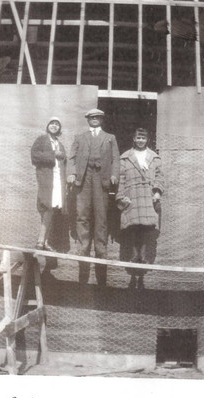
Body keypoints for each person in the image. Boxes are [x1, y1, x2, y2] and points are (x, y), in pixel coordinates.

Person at [67, 108, 120, 286]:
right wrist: (72, 174)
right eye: (92, 117)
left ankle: (101, 259)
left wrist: (114, 175)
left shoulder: (110, 137)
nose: (95, 120)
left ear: (102, 119)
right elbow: (71, 157)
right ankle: (83, 252)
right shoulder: (80, 137)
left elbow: (116, 159)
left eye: (98, 117)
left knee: (101, 218)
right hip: (84, 180)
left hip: (101, 180)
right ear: (88, 120)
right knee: (82, 215)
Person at [116, 127, 165, 290]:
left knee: (146, 227)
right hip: (132, 194)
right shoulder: (125, 157)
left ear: (147, 140)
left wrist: (157, 192)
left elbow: (160, 176)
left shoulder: (154, 157)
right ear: (133, 139)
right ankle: (134, 259)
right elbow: (121, 179)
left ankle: (142, 259)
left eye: (143, 138)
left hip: (148, 195)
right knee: (133, 227)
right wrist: (121, 196)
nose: (140, 140)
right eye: (138, 137)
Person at [31, 117, 67, 251]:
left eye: (57, 124)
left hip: (58, 180)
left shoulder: (60, 144)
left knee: (52, 208)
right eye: (52, 123)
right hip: (47, 179)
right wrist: (53, 155)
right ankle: (41, 241)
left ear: (59, 129)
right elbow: (34, 156)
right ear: (48, 126)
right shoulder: (41, 139)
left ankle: (44, 242)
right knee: (46, 207)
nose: (54, 126)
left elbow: (64, 163)